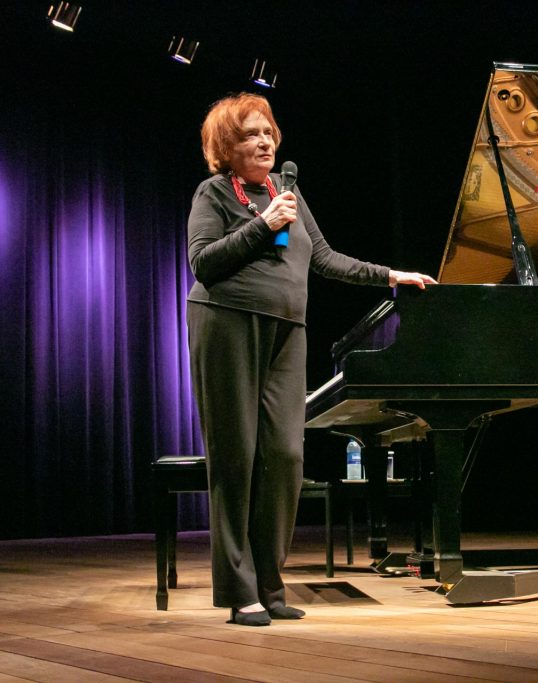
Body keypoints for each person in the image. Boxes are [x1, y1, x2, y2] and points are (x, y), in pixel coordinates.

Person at [186, 93, 436, 626]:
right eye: (251, 134)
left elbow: (324, 258)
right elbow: (203, 262)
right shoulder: (212, 194)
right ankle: (240, 591)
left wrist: (391, 275)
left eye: (269, 133)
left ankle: (271, 583)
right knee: (236, 460)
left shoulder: (289, 192)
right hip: (226, 323)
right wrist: (261, 223)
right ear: (227, 148)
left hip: (288, 334)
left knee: (285, 457)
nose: (264, 141)